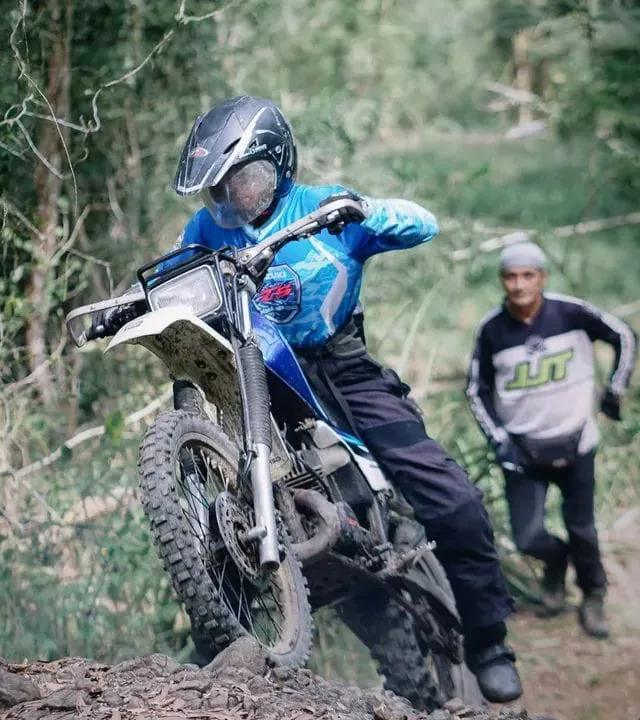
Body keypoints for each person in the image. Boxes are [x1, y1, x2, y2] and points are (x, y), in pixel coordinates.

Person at [94, 96, 522, 702]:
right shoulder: (205, 232)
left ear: (278, 166)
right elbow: (169, 278)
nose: (232, 196)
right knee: (218, 493)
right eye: (219, 187)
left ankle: (489, 639)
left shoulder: (321, 207)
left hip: (342, 369)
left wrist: (365, 210)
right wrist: (123, 307)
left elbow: (422, 223)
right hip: (258, 373)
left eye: (243, 178)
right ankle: (220, 630)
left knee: (453, 499)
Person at [466, 241, 637, 638]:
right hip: (522, 453)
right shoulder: (492, 329)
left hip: (577, 443)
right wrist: (499, 440)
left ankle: (593, 596)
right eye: (510, 276)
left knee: (583, 530)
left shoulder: (570, 313)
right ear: (502, 280)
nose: (519, 285)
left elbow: (624, 335)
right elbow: (476, 390)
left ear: (542, 277)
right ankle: (556, 562)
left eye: (528, 275)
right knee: (527, 537)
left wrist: (615, 388)